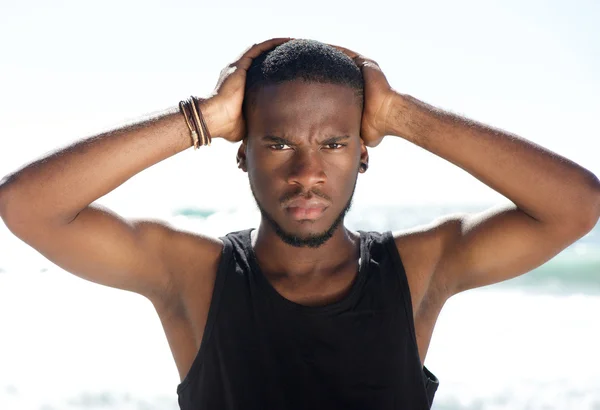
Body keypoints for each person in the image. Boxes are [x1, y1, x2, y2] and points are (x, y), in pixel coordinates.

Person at [0, 37, 598, 410]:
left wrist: (399, 114)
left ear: (365, 151)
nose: (307, 173)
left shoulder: (416, 271)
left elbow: (576, 206)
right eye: (279, 143)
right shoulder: (193, 275)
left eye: (335, 143)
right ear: (243, 152)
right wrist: (202, 117)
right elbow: (27, 205)